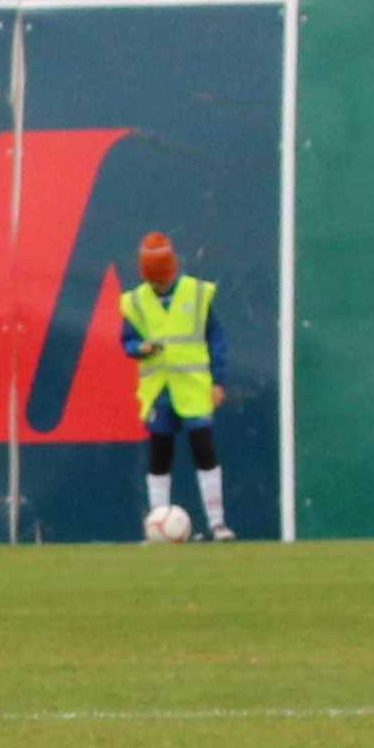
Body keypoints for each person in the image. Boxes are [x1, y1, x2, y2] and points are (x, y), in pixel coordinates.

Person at [123, 230, 230, 540]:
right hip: (159, 389)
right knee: (160, 452)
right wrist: (139, 348)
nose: (160, 285)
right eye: (154, 281)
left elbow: (215, 338)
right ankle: (157, 522)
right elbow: (127, 340)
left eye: (164, 279)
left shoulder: (196, 294)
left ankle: (217, 522)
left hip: (194, 386)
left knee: (203, 449)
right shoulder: (136, 301)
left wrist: (218, 380)